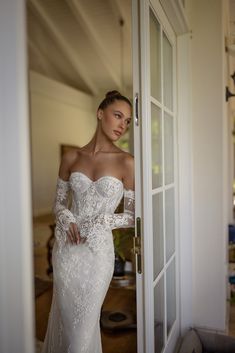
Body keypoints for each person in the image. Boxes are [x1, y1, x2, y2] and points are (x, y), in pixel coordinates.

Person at [41, 90, 135, 353]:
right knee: (69, 326)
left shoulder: (127, 162)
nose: (122, 125)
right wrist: (65, 215)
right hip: (67, 253)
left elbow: (131, 215)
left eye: (127, 121)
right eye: (118, 116)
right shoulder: (71, 158)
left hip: (97, 255)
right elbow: (58, 203)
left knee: (83, 332)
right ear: (100, 113)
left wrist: (101, 221)